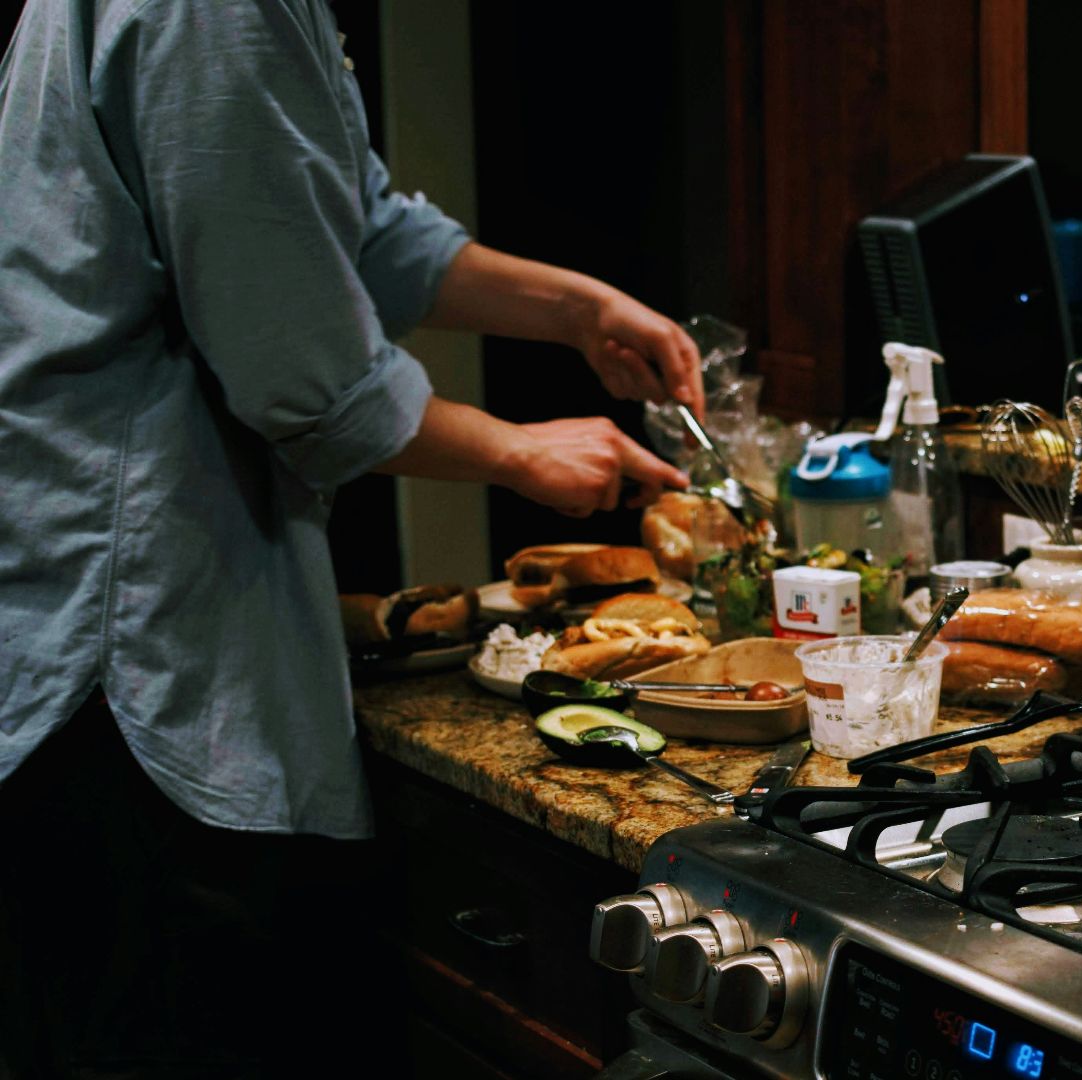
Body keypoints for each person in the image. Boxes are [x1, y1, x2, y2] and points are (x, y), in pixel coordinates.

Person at [0, 1, 702, 1074]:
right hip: (131, 671)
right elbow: (305, 375)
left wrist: (577, 309)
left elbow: (349, 221)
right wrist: (519, 453)